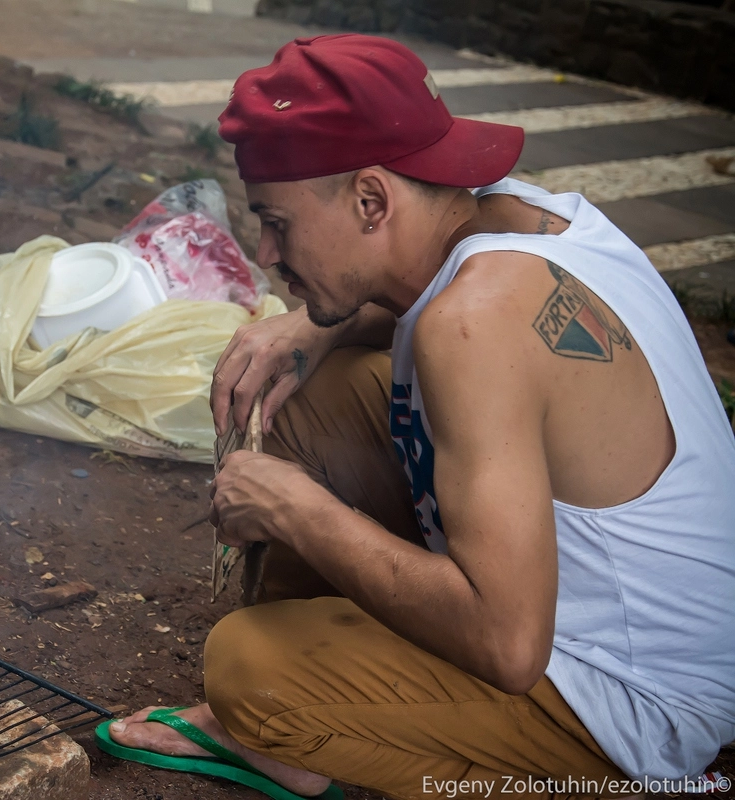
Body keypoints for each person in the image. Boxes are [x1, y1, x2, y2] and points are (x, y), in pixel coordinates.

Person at [94, 34, 735, 800]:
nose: (265, 251)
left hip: (636, 708)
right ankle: (354, 697)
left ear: (371, 199)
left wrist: (299, 512)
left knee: (249, 669)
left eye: (278, 223)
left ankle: (300, 724)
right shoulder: (520, 216)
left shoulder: (472, 326)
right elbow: (438, 311)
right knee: (312, 394)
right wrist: (310, 326)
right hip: (646, 631)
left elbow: (507, 645)